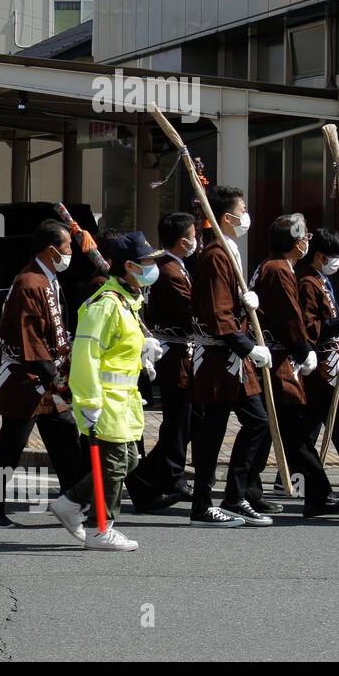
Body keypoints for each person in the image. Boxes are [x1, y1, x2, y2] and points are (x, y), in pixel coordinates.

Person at [50, 232, 166, 551]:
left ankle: (71, 503)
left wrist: (144, 350)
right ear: (129, 266)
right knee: (115, 462)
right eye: (147, 262)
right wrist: (88, 401)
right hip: (102, 399)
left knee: (128, 460)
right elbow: (87, 353)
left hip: (124, 400)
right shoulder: (105, 304)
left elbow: (118, 347)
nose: (153, 267)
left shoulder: (128, 301)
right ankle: (101, 527)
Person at [0, 220, 86, 529]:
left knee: (65, 434)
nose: (70, 253)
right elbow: (31, 340)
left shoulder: (46, 278)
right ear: (52, 251)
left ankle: (75, 500)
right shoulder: (30, 282)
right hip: (26, 378)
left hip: (48, 375)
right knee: (12, 443)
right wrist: (60, 380)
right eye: (67, 247)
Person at [188, 186, 274, 527]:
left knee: (258, 421)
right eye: (243, 209)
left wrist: (247, 301)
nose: (246, 215)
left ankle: (235, 496)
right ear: (227, 217)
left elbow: (229, 306)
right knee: (211, 432)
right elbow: (216, 313)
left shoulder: (229, 251)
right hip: (217, 359)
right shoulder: (215, 255)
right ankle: (201, 505)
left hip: (234, 360)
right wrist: (248, 345)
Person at [252, 215, 339, 518]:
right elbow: (296, 322)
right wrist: (306, 347)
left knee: (295, 430)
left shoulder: (287, 269)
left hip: (303, 360)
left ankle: (276, 486)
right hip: (295, 361)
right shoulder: (284, 272)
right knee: (302, 428)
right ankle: (311, 493)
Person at [126, 212, 198, 511]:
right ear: (183, 240)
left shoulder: (178, 267)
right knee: (178, 421)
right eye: (195, 235)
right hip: (173, 355)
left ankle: (169, 473)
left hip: (182, 353)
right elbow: (189, 310)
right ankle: (155, 476)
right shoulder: (169, 271)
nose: (198, 240)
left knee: (183, 422)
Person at [298, 228, 339, 490]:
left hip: (332, 360)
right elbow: (310, 327)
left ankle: (298, 479)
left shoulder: (319, 279)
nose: (337, 263)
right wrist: (338, 323)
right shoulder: (308, 282)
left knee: (308, 427)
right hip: (322, 364)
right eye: (334, 257)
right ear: (319, 256)